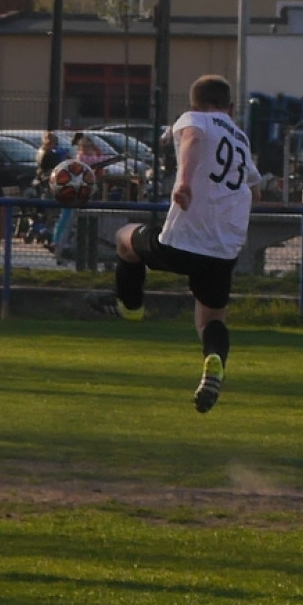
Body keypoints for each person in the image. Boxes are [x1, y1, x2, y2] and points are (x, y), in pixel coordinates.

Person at [86, 74, 262, 413]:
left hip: (182, 241)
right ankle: (212, 363)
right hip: (222, 250)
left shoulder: (193, 120)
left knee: (126, 238)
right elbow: (253, 186)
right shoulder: (240, 139)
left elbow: (192, 139)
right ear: (231, 107)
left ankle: (130, 306)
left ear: (193, 103)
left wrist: (182, 183)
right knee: (210, 321)